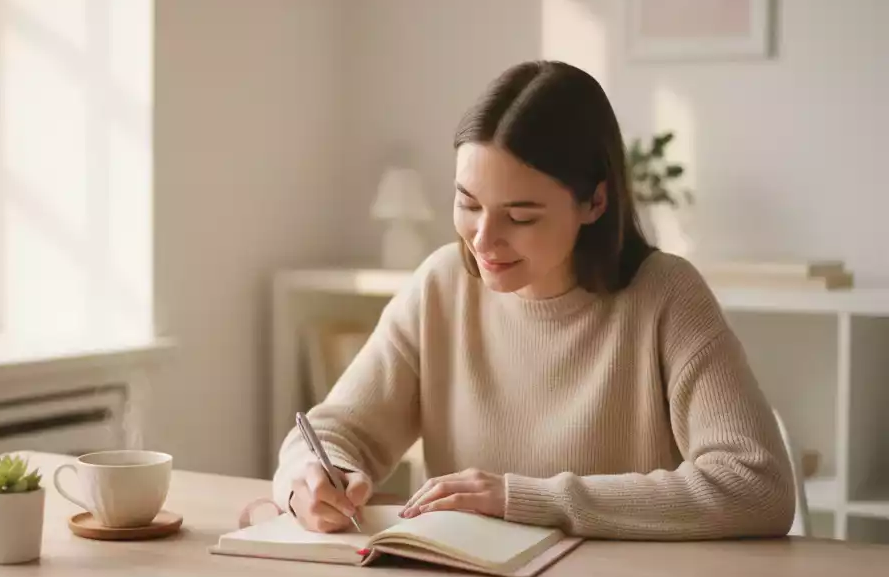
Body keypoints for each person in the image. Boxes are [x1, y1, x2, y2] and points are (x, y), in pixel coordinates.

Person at [272, 60, 796, 540]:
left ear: (595, 200)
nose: (482, 239)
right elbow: (331, 431)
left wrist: (529, 500)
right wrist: (309, 479)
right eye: (467, 203)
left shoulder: (666, 296)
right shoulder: (441, 286)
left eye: (520, 217)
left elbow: (757, 485)